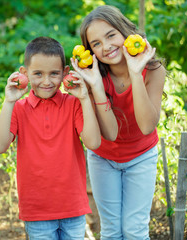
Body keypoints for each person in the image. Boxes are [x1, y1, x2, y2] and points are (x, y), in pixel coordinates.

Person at [71, 5, 166, 240]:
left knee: (135, 230)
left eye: (110, 35)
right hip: (104, 157)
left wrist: (135, 72)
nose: (106, 47)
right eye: (96, 44)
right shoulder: (93, 76)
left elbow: (146, 126)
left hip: (141, 156)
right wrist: (96, 86)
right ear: (90, 50)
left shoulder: (153, 70)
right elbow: (110, 134)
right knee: (112, 231)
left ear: (124, 32)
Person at [0, 36, 102, 239]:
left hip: (73, 208)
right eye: (38, 74)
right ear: (24, 73)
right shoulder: (18, 109)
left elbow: (93, 142)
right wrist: (8, 102)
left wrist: (84, 97)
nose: (46, 81)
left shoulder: (74, 104)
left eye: (54, 74)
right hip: (37, 211)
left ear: (65, 73)